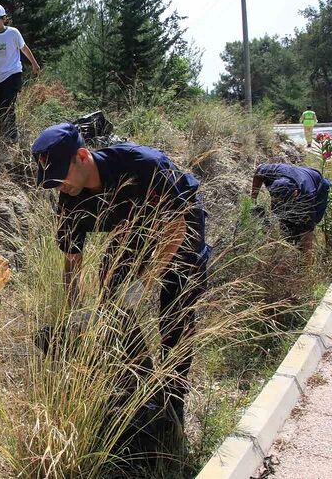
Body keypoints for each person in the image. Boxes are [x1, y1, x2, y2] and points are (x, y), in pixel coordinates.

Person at [31, 123, 210, 430]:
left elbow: (175, 227)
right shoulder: (70, 199)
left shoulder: (141, 165)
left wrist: (144, 282)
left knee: (175, 308)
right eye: (52, 182)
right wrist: (76, 312)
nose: (60, 186)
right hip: (131, 226)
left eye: (61, 176)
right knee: (111, 291)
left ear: (83, 156)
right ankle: (140, 381)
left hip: (179, 219)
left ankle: (173, 398)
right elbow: (72, 262)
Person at [0, 4, 40, 143]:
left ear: (4, 18)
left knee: (7, 105)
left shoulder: (13, 33)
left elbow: (24, 49)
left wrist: (34, 64)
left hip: (13, 73)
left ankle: (12, 137)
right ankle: (4, 136)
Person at [251, 163, 331, 254]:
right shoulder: (271, 173)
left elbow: (307, 239)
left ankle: (296, 242)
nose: (278, 204)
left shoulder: (307, 198)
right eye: (276, 201)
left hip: (318, 183)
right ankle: (290, 239)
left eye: (284, 202)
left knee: (309, 223)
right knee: (284, 220)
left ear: (295, 194)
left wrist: (307, 267)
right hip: (295, 173)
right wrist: (253, 200)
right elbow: (258, 170)